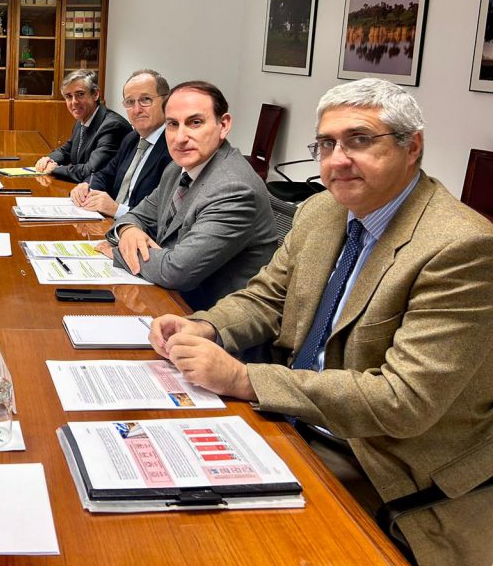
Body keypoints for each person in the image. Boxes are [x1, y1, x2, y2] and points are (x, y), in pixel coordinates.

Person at [150, 78, 493, 566]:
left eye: (359, 140)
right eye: (326, 144)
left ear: (411, 147)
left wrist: (244, 379)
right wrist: (206, 326)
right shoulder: (322, 211)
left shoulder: (461, 247)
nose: (338, 159)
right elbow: (268, 298)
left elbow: (403, 401)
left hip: (383, 463)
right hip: (294, 418)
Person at [97, 81, 276, 310]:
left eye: (195, 123)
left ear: (223, 125)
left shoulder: (234, 189)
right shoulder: (177, 169)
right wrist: (128, 230)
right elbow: (137, 215)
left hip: (210, 318)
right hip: (170, 300)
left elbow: (176, 271)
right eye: (173, 124)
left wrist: (120, 251)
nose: (180, 137)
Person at [69, 69, 172, 218]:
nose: (137, 110)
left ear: (166, 101)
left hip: (137, 228)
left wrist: (117, 210)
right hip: (108, 223)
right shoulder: (131, 139)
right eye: (130, 102)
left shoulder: (175, 148)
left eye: (145, 99)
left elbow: (165, 216)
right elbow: (106, 174)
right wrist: (86, 187)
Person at [33, 69, 129, 182]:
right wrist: (48, 159)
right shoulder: (82, 121)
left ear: (96, 94)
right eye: (69, 96)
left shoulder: (112, 126)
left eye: (80, 94)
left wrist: (55, 169)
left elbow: (91, 171)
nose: (74, 102)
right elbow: (66, 151)